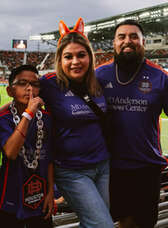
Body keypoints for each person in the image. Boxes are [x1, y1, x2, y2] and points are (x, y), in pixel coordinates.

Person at [40, 18, 114, 228]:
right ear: (59, 59)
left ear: (89, 57)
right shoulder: (49, 85)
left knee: (93, 223)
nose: (75, 62)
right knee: (102, 225)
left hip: (103, 166)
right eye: (68, 56)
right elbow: (20, 97)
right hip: (71, 170)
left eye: (81, 55)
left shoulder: (98, 83)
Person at [96, 19, 168, 228]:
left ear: (143, 42)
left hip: (147, 167)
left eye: (134, 36)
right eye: (122, 36)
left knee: (144, 223)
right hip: (109, 167)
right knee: (117, 221)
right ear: (114, 43)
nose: (128, 41)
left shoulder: (160, 77)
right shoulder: (99, 75)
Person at [0, 65, 54, 228]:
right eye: (22, 83)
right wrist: (28, 113)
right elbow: (11, 152)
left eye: (35, 85)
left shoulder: (47, 118)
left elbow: (49, 157)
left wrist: (50, 192)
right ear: (10, 91)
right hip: (11, 196)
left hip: (40, 196)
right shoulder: (4, 118)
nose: (29, 88)